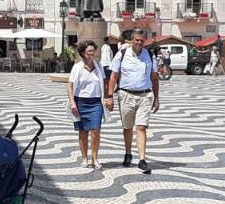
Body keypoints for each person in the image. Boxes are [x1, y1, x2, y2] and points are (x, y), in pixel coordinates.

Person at [104, 29, 160, 174]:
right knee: (128, 127)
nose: (139, 43)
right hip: (126, 94)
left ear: (145, 41)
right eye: (136, 40)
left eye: (142, 40)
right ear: (131, 40)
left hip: (145, 96)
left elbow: (154, 78)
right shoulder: (122, 54)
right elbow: (113, 76)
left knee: (141, 127)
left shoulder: (150, 55)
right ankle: (128, 153)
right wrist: (109, 96)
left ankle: (142, 159)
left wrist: (156, 98)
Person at [67, 41, 105, 169]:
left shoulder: (98, 66)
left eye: (93, 51)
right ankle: (85, 158)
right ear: (83, 53)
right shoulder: (77, 67)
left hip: (96, 103)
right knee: (83, 132)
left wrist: (108, 98)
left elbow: (103, 83)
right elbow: (70, 85)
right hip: (81, 102)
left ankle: (95, 158)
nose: (92, 53)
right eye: (89, 51)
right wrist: (72, 103)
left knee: (95, 130)